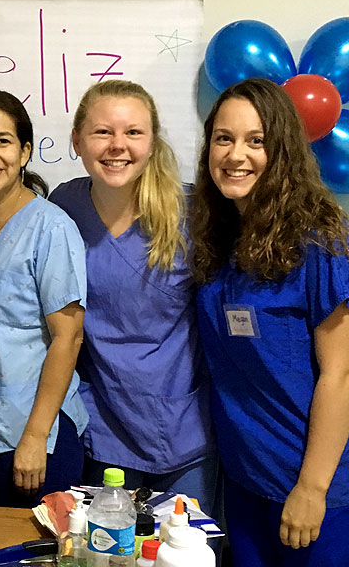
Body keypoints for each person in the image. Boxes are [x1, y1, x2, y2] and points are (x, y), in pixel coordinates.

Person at [191, 78, 349, 566]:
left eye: (256, 141)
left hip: (322, 483)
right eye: (223, 138)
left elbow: (342, 375)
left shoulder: (326, 242)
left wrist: (311, 489)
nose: (236, 155)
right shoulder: (220, 236)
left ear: (282, 149)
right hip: (247, 475)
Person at [50, 80, 216, 510]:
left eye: (133, 133)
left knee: (185, 552)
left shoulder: (192, 214)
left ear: (152, 141)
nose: (117, 146)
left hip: (182, 428)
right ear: (77, 140)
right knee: (108, 552)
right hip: (102, 425)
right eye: (102, 132)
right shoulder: (64, 206)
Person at [0, 87, 88, 507]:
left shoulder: (51, 228)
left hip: (32, 439)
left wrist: (35, 436)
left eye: (3, 141)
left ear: (25, 151)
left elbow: (68, 338)